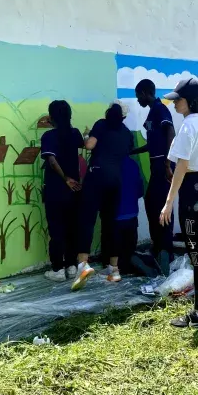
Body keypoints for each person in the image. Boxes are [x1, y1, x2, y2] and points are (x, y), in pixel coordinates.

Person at [161, 78, 198, 328]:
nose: (175, 104)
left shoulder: (188, 126)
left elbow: (182, 166)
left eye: (179, 100)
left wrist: (168, 201)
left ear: (191, 101)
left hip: (192, 192)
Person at [74, 102, 134, 291]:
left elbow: (90, 145)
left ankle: (83, 265)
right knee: (111, 223)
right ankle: (114, 270)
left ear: (108, 112)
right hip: (115, 180)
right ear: (124, 117)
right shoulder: (127, 133)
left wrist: (85, 135)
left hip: (97, 176)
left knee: (87, 220)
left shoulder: (101, 124)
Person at [133, 80, 175, 274]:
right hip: (156, 164)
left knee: (161, 205)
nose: (137, 99)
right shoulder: (152, 112)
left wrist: (168, 163)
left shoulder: (160, 109)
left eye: (138, 95)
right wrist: (132, 151)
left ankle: (165, 250)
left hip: (163, 165)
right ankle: (158, 246)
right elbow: (152, 143)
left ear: (144, 92)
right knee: (152, 203)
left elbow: (170, 132)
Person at [40, 100, 85, 282]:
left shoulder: (48, 137)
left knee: (57, 229)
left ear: (52, 117)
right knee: (72, 228)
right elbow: (82, 146)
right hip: (75, 190)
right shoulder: (74, 133)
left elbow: (51, 160)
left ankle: (58, 269)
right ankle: (72, 266)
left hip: (56, 190)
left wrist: (65, 178)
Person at [112, 156, 145, 276]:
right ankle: (127, 267)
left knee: (116, 246)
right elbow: (140, 189)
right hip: (132, 213)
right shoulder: (133, 164)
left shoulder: (110, 163)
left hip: (116, 215)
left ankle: (115, 268)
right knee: (129, 246)